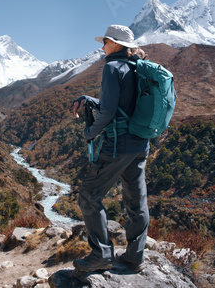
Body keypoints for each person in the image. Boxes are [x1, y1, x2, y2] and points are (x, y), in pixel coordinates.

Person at [72, 25, 150, 273]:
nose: (102, 45)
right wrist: (90, 99)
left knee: (88, 195)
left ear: (115, 43)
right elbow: (122, 104)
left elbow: (107, 112)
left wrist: (89, 133)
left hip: (118, 145)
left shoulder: (111, 67)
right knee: (136, 202)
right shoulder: (137, 66)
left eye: (105, 41)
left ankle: (101, 255)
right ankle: (134, 257)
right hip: (140, 144)